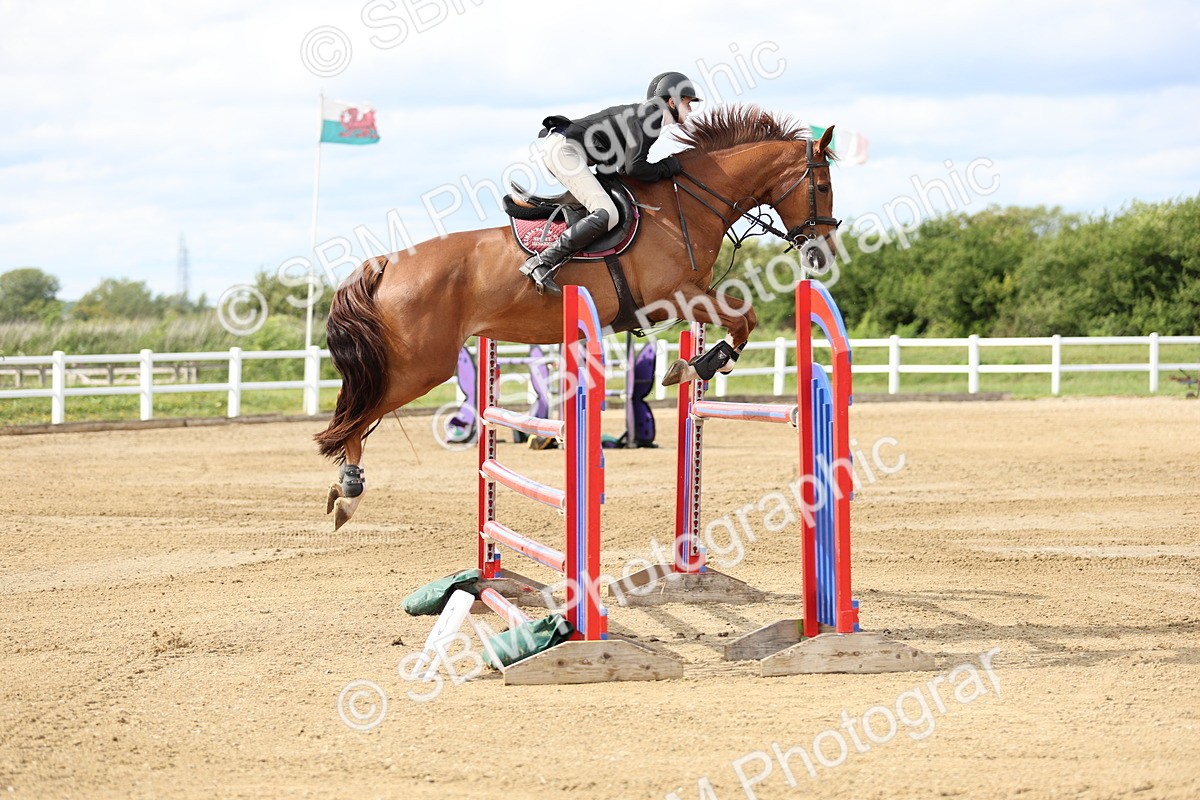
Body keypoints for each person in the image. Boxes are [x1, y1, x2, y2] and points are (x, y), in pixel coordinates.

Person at [520, 71, 702, 296]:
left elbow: (625, 167)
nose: (690, 109)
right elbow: (636, 167)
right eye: (687, 102)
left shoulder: (647, 116)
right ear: (672, 101)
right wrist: (669, 167)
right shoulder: (652, 118)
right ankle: (541, 261)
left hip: (566, 148)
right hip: (565, 150)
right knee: (608, 213)